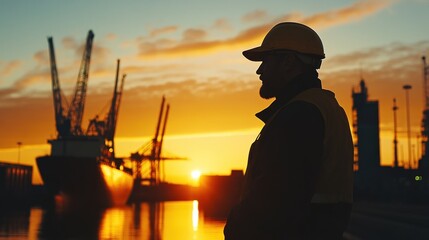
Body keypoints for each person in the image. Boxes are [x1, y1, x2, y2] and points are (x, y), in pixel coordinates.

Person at [224, 22, 354, 240]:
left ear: (288, 62)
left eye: (266, 60)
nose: (260, 70)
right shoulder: (326, 107)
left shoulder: (298, 115)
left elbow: (275, 204)